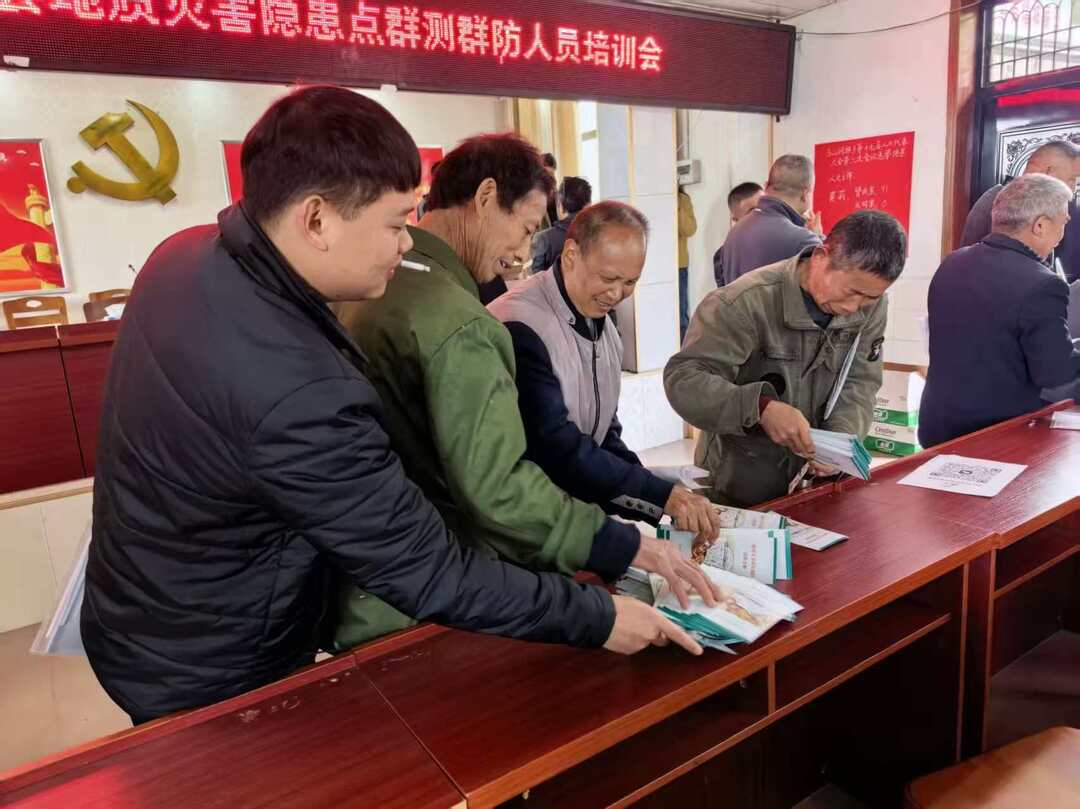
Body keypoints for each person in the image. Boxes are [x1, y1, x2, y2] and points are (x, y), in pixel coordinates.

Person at [81, 87, 701, 726]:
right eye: (396, 223)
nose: (407, 244)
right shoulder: (300, 386)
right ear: (317, 220)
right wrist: (597, 616)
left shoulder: (184, 255)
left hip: (140, 609)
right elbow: (426, 567)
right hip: (216, 657)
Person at [335, 133, 718, 648]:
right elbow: (502, 484)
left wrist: (649, 498)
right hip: (428, 584)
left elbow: (600, 433)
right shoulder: (465, 319)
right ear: (486, 197)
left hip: (370, 575)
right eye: (525, 229)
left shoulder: (371, 286)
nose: (521, 253)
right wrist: (623, 544)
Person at [489, 200, 720, 539]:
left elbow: (603, 435)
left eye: (630, 281)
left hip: (572, 517)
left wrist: (662, 499)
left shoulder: (605, 328)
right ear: (571, 255)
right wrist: (658, 495)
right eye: (608, 278)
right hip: (524, 524)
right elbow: (556, 447)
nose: (616, 294)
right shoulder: (521, 325)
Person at [666, 210, 907, 507]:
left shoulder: (872, 306)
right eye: (852, 292)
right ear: (820, 258)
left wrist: (840, 443)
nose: (854, 307)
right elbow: (684, 381)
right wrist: (760, 408)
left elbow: (860, 382)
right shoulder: (744, 302)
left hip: (816, 483)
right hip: (738, 481)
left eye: (870, 298)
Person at [920, 174, 1080, 447]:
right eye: (1063, 223)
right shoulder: (1043, 284)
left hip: (937, 425)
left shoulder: (952, 263)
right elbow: (1053, 372)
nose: (1061, 236)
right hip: (995, 432)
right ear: (1040, 225)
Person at [960, 139, 1080, 282]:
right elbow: (974, 271)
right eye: (1072, 179)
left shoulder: (1044, 207)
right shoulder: (994, 202)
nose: (1074, 189)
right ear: (1048, 172)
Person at [714, 156, 822, 288]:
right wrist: (818, 238)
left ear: (766, 186)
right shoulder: (803, 241)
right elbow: (829, 289)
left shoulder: (734, 233)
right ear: (805, 194)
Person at [531, 176, 591, 274]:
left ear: (560, 204)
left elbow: (536, 278)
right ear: (588, 205)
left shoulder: (544, 239)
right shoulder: (599, 235)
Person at [712, 181, 764, 287]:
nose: (764, 214)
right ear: (736, 219)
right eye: (754, 212)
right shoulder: (723, 256)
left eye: (767, 207)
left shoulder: (785, 239)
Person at [677, 188, 698, 342]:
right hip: (654, 264)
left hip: (678, 265)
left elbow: (688, 229)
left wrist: (677, 202)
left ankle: (683, 347)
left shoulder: (683, 199)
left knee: (681, 312)